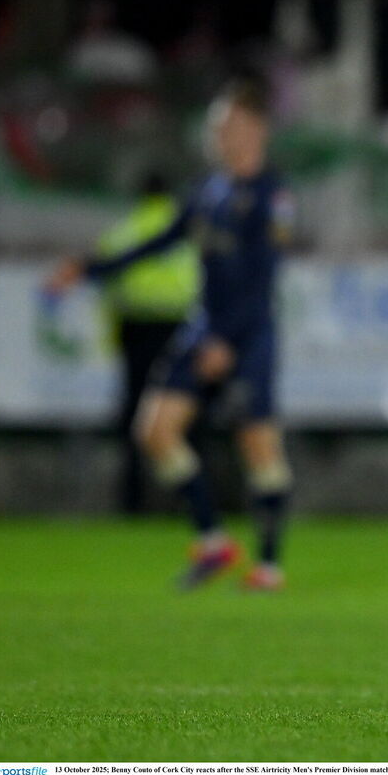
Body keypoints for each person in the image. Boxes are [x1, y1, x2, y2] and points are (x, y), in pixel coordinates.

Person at [47, 76, 294, 590]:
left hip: (246, 334)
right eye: (216, 125)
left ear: (256, 129)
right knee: (154, 430)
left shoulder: (272, 195)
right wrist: (89, 268)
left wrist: (227, 339)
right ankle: (213, 542)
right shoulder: (207, 189)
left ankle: (269, 565)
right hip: (203, 328)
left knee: (258, 448)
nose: (219, 134)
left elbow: (263, 277)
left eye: (228, 124)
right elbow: (159, 241)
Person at [95, 168, 200, 514]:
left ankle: (133, 501)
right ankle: (190, 503)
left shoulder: (123, 231)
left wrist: (113, 337)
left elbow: (108, 284)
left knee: (137, 417)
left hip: (137, 328)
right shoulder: (194, 230)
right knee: (187, 416)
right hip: (182, 328)